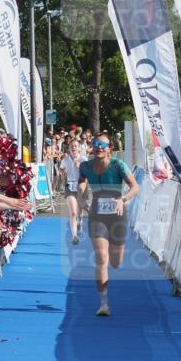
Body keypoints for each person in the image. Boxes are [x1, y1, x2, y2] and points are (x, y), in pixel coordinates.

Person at [77, 135, 140, 317]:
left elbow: (135, 187)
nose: (98, 147)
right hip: (97, 215)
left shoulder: (117, 165)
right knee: (101, 258)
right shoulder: (85, 166)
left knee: (116, 262)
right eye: (95, 144)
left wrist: (123, 199)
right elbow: (81, 182)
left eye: (102, 145)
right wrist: (81, 194)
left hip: (117, 215)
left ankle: (116, 253)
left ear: (109, 148)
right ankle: (104, 303)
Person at [59, 139, 86, 244]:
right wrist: (63, 172)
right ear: (69, 149)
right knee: (73, 212)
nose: (74, 148)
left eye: (75, 146)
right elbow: (61, 170)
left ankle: (80, 223)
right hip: (69, 185)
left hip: (81, 186)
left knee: (79, 213)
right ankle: (74, 236)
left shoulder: (83, 159)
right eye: (72, 146)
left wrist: (81, 167)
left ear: (79, 148)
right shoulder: (65, 160)